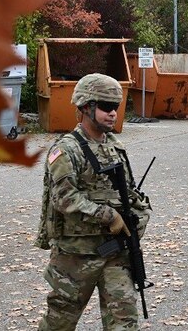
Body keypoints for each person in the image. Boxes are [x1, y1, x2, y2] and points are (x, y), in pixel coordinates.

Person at [36, 73, 152, 330]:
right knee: (59, 322)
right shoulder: (66, 150)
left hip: (115, 255)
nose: (113, 113)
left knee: (124, 322)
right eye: (106, 107)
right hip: (76, 255)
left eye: (116, 107)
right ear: (86, 107)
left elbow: (128, 193)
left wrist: (139, 215)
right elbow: (64, 198)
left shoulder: (114, 147)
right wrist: (108, 216)